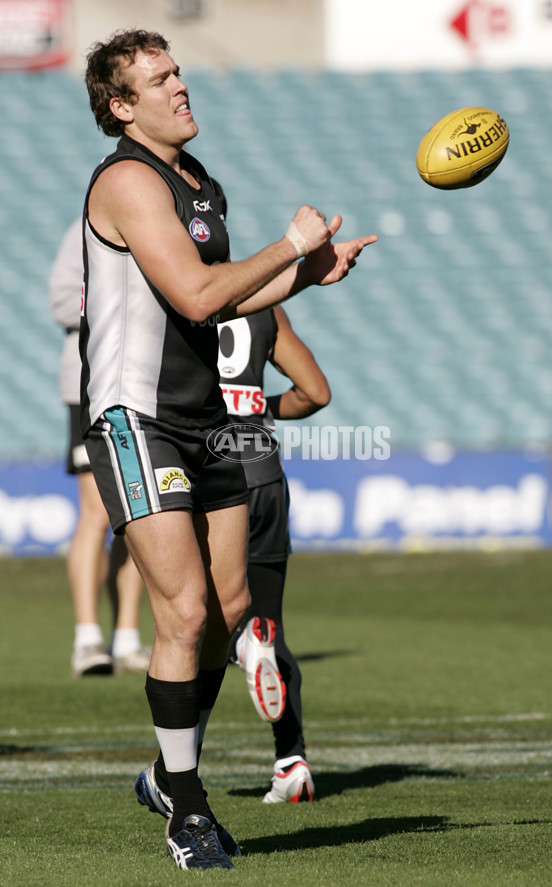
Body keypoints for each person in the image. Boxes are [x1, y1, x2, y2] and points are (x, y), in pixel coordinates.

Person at [81, 28, 377, 871]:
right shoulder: (130, 181)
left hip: (206, 416)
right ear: (120, 106)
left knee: (225, 607)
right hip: (139, 418)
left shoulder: (197, 182)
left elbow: (223, 305)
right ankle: (189, 808)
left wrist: (307, 275)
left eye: (178, 71)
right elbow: (196, 289)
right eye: (160, 79)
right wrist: (289, 245)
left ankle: (165, 773)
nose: (181, 86)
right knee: (178, 611)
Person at [219, 303, 330, 804]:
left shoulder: (179, 294)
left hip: (212, 476)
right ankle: (293, 761)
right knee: (271, 623)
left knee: (195, 621)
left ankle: (176, 773)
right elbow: (315, 393)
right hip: (265, 476)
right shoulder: (267, 306)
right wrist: (259, 409)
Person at [48, 218, 151, 677]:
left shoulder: (158, 225)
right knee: (95, 512)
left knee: (137, 514)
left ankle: (127, 637)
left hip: (141, 385)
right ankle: (87, 639)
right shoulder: (85, 230)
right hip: (90, 385)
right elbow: (62, 301)